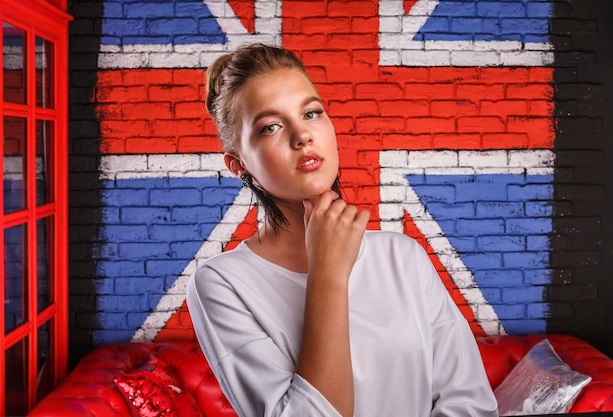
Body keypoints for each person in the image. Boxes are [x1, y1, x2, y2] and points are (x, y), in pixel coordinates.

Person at [186, 43, 499, 417]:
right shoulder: (221, 283)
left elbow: (470, 404)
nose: (302, 136)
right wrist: (328, 274)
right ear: (239, 165)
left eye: (312, 112)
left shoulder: (402, 256)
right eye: (270, 126)